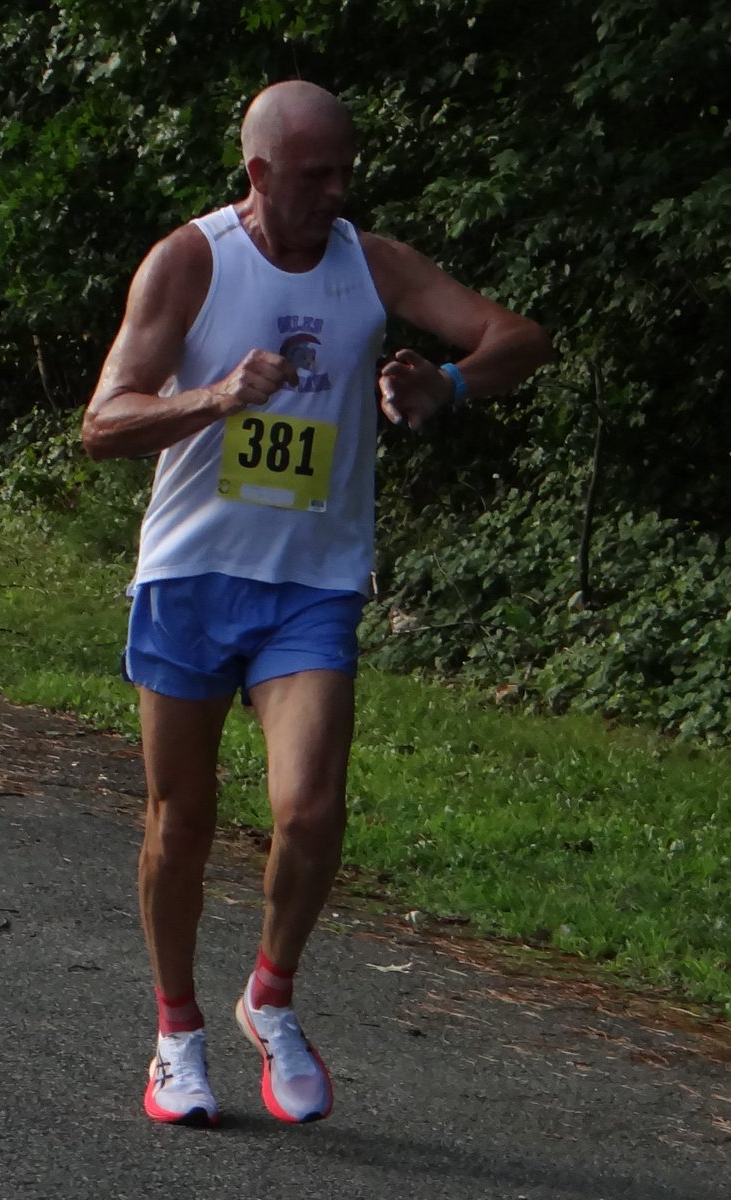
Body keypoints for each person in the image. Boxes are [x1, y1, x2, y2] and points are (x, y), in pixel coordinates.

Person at [82, 80, 553, 1128]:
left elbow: (519, 336)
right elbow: (103, 423)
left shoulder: (370, 263)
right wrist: (216, 397)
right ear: (258, 172)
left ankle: (271, 996)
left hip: (312, 583)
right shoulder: (191, 260)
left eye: (346, 171)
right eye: (314, 175)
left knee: (309, 810)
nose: (336, 192)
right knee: (181, 820)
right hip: (192, 576)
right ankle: (176, 1035)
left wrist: (450, 385)